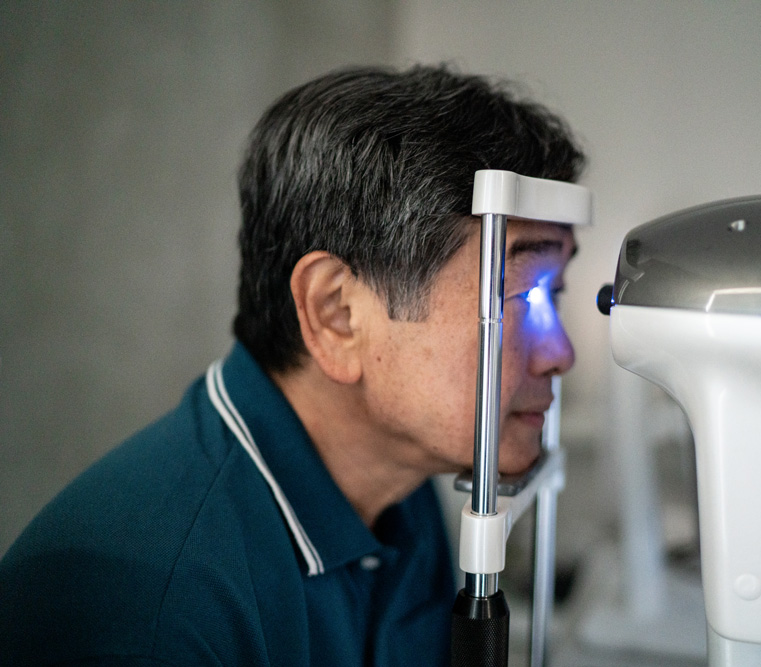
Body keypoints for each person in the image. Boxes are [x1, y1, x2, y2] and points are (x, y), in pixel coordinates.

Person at [0, 64, 585, 665]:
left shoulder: (400, 495)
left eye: (555, 293)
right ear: (337, 314)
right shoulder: (152, 614)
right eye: (520, 296)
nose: (561, 352)